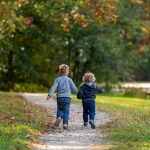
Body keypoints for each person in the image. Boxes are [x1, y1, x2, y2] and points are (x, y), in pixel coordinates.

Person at [46, 64, 78, 129]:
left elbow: (53, 87)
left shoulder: (57, 80)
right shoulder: (69, 80)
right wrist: (79, 94)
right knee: (66, 111)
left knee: (60, 109)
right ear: (67, 72)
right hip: (67, 98)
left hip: (60, 97)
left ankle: (59, 117)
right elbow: (74, 88)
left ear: (59, 72)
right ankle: (65, 123)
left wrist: (50, 95)